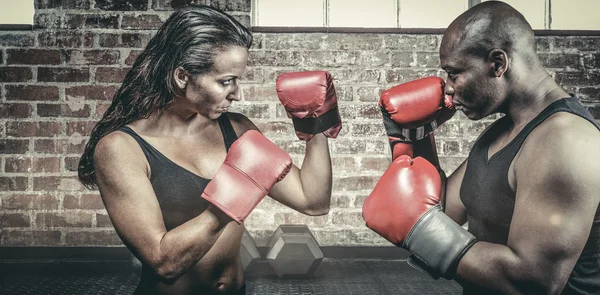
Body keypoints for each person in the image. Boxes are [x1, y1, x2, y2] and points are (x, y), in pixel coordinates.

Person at [77, 5, 341, 295]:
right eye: (225, 81)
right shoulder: (121, 148)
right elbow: (163, 263)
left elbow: (313, 201)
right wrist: (231, 200)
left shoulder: (237, 129)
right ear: (182, 77)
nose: (237, 93)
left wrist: (315, 125)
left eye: (237, 79)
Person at [363, 1, 600, 294]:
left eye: (454, 73)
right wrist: (415, 135)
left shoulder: (565, 141)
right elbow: (441, 210)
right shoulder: (502, 131)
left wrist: (421, 230)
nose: (447, 87)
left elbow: (533, 282)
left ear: (498, 63)